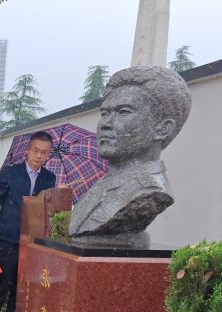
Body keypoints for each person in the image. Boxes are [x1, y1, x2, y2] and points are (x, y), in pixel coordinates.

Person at [69, 66, 191, 239]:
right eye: (104, 113)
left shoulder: (149, 190)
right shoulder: (102, 184)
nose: (105, 123)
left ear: (162, 128)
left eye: (123, 112)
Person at [0, 131, 56, 312]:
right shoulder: (10, 173)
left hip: (33, 244)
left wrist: (59, 195)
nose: (39, 156)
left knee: (22, 288)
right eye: (35, 150)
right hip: (7, 239)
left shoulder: (50, 179)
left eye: (44, 152)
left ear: (49, 154)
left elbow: (50, 212)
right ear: (28, 149)